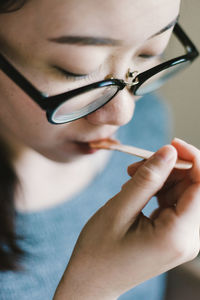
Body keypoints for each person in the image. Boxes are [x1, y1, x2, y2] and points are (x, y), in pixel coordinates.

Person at [0, 0, 199, 299]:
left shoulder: (148, 123)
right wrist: (92, 289)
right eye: (76, 70)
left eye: (149, 52)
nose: (123, 114)